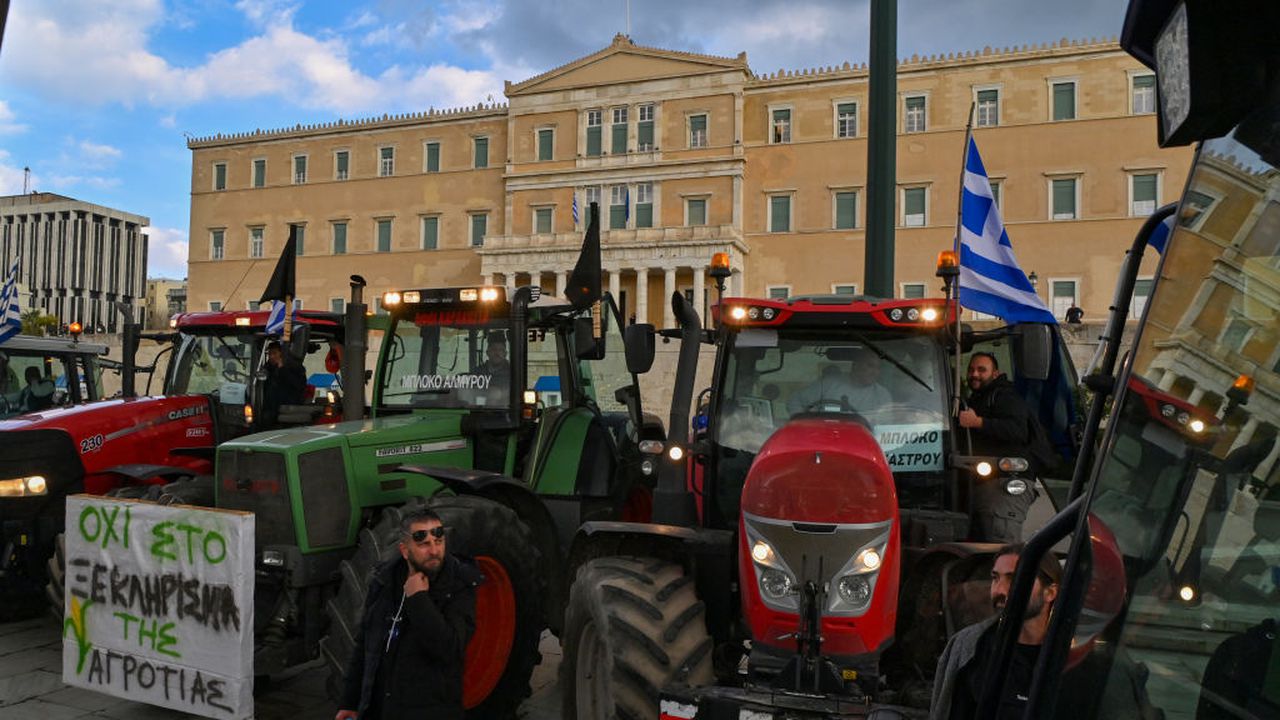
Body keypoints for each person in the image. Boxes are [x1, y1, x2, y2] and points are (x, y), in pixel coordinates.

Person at [337, 508, 480, 720]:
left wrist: (419, 599)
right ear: (405, 550)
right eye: (424, 544)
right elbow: (365, 644)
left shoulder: (459, 584)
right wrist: (351, 701)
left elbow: (449, 649)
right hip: (381, 708)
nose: (434, 550)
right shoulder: (385, 580)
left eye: (438, 542)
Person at [930, 544, 1062, 720]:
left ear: (1050, 592)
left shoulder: (1070, 656)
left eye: (1014, 579)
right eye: (995, 578)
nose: (999, 590)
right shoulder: (971, 648)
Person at [958, 352, 1051, 542]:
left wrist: (979, 422)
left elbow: (1018, 430)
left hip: (1006, 483)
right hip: (986, 485)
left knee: (1000, 548)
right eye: (971, 369)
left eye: (981, 370)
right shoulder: (977, 398)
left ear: (995, 374)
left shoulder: (1005, 396)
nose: (974, 374)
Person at [786, 347, 892, 415]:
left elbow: (885, 426)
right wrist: (803, 423)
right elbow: (795, 401)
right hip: (823, 440)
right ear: (856, 365)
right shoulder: (828, 384)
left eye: (878, 368)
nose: (875, 372)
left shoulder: (882, 395)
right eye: (870, 366)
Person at [261, 340, 306, 428]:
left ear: (282, 354)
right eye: (269, 354)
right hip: (268, 410)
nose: (271, 356)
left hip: (288, 411)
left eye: (274, 353)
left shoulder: (295, 367)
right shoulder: (266, 369)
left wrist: (282, 370)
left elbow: (298, 386)